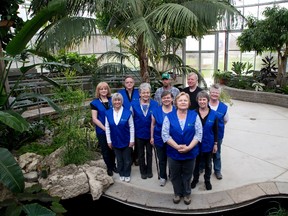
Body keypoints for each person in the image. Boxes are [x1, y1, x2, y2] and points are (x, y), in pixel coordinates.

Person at [162, 92, 202, 205]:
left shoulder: (194, 116)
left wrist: (189, 147)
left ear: (189, 103)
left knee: (188, 175)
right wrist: (176, 146)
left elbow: (199, 134)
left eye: (185, 100)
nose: (183, 102)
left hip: (190, 152)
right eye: (180, 100)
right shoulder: (169, 117)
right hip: (173, 153)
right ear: (176, 103)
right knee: (174, 175)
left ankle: (187, 193)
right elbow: (165, 134)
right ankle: (177, 193)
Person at [191, 90, 218, 190]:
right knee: (196, 163)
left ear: (208, 100)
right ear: (197, 101)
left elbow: (215, 130)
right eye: (200, 99)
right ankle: (195, 179)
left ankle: (207, 180)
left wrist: (215, 144)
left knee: (208, 164)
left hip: (208, 143)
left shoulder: (213, 114)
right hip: (196, 143)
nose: (202, 101)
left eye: (204, 99)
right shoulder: (193, 113)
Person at [105, 93, 135, 183]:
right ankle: (121, 173)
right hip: (115, 140)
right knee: (119, 159)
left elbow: (132, 127)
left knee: (127, 160)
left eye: (119, 100)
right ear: (112, 101)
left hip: (126, 140)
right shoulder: (108, 113)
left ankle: (127, 173)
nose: (117, 102)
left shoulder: (127, 112)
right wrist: (109, 141)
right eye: (115, 100)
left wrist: (132, 140)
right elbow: (107, 128)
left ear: (122, 101)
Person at [131, 82, 158, 180]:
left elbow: (156, 120)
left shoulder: (155, 104)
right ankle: (143, 171)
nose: (146, 95)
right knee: (140, 154)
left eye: (147, 92)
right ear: (140, 94)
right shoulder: (133, 105)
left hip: (150, 134)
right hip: (139, 134)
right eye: (143, 93)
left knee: (150, 153)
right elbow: (131, 120)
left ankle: (149, 170)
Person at [90, 82, 117, 177]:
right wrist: (105, 128)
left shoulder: (112, 100)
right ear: (98, 91)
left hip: (113, 129)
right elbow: (94, 119)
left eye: (105, 88)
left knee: (113, 148)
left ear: (108, 90)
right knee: (105, 149)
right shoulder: (95, 103)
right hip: (102, 130)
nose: (103, 90)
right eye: (101, 89)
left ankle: (114, 165)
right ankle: (109, 167)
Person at [150, 91, 175, 186]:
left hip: (172, 139)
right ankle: (163, 176)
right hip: (158, 138)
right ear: (161, 99)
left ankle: (172, 175)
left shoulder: (176, 110)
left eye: (168, 97)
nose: (166, 99)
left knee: (172, 158)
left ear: (172, 99)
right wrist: (152, 137)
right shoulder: (156, 111)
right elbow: (152, 124)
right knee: (161, 159)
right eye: (164, 98)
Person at [118, 75, 140, 166]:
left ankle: (136, 157)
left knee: (137, 140)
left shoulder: (138, 92)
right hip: (125, 120)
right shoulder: (120, 93)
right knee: (128, 139)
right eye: (127, 82)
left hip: (138, 119)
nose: (129, 84)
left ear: (134, 83)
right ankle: (129, 157)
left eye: (131, 82)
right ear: (124, 84)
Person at [209, 83, 229, 180]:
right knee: (205, 152)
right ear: (209, 93)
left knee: (217, 153)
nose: (214, 95)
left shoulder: (223, 107)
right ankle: (203, 168)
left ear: (219, 94)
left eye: (216, 93)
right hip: (206, 134)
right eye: (212, 92)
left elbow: (225, 120)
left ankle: (217, 170)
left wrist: (218, 129)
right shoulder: (205, 104)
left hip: (218, 135)